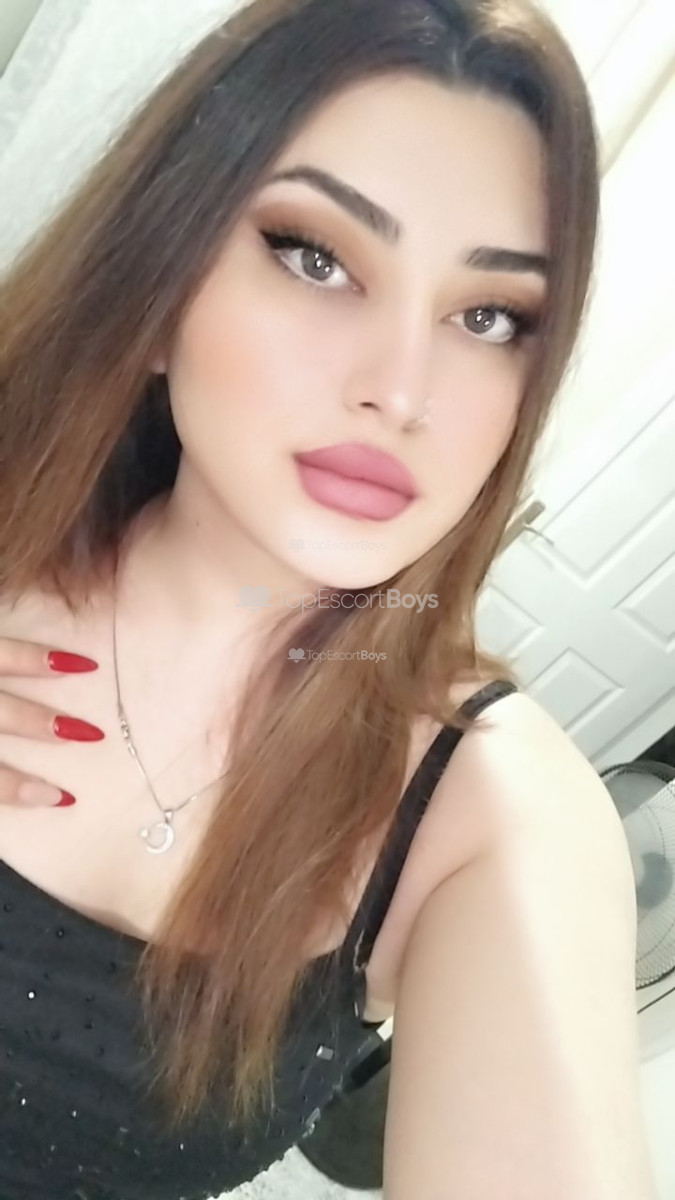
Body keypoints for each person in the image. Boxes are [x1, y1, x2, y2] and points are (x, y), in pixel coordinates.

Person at [0, 0, 657, 1197]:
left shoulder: (490, 816)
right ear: (161, 279)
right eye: (317, 257)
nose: (401, 391)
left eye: (489, 317)